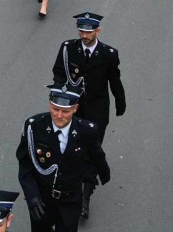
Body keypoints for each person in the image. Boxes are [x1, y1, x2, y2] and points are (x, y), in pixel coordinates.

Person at [52, 12, 126, 220]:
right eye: (81, 31)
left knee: (91, 152)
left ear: (97, 31)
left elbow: (114, 80)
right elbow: (58, 72)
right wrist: (60, 93)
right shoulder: (68, 49)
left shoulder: (108, 54)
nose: (84, 35)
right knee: (69, 148)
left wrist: (120, 103)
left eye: (89, 31)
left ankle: (85, 199)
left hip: (97, 110)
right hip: (72, 108)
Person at [15, 84, 110, 232]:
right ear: (49, 105)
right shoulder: (34, 127)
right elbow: (25, 163)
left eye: (65, 111)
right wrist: (32, 196)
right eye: (55, 109)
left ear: (75, 109)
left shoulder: (87, 131)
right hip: (42, 200)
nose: (59, 115)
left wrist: (95, 182)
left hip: (70, 201)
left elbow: (96, 159)